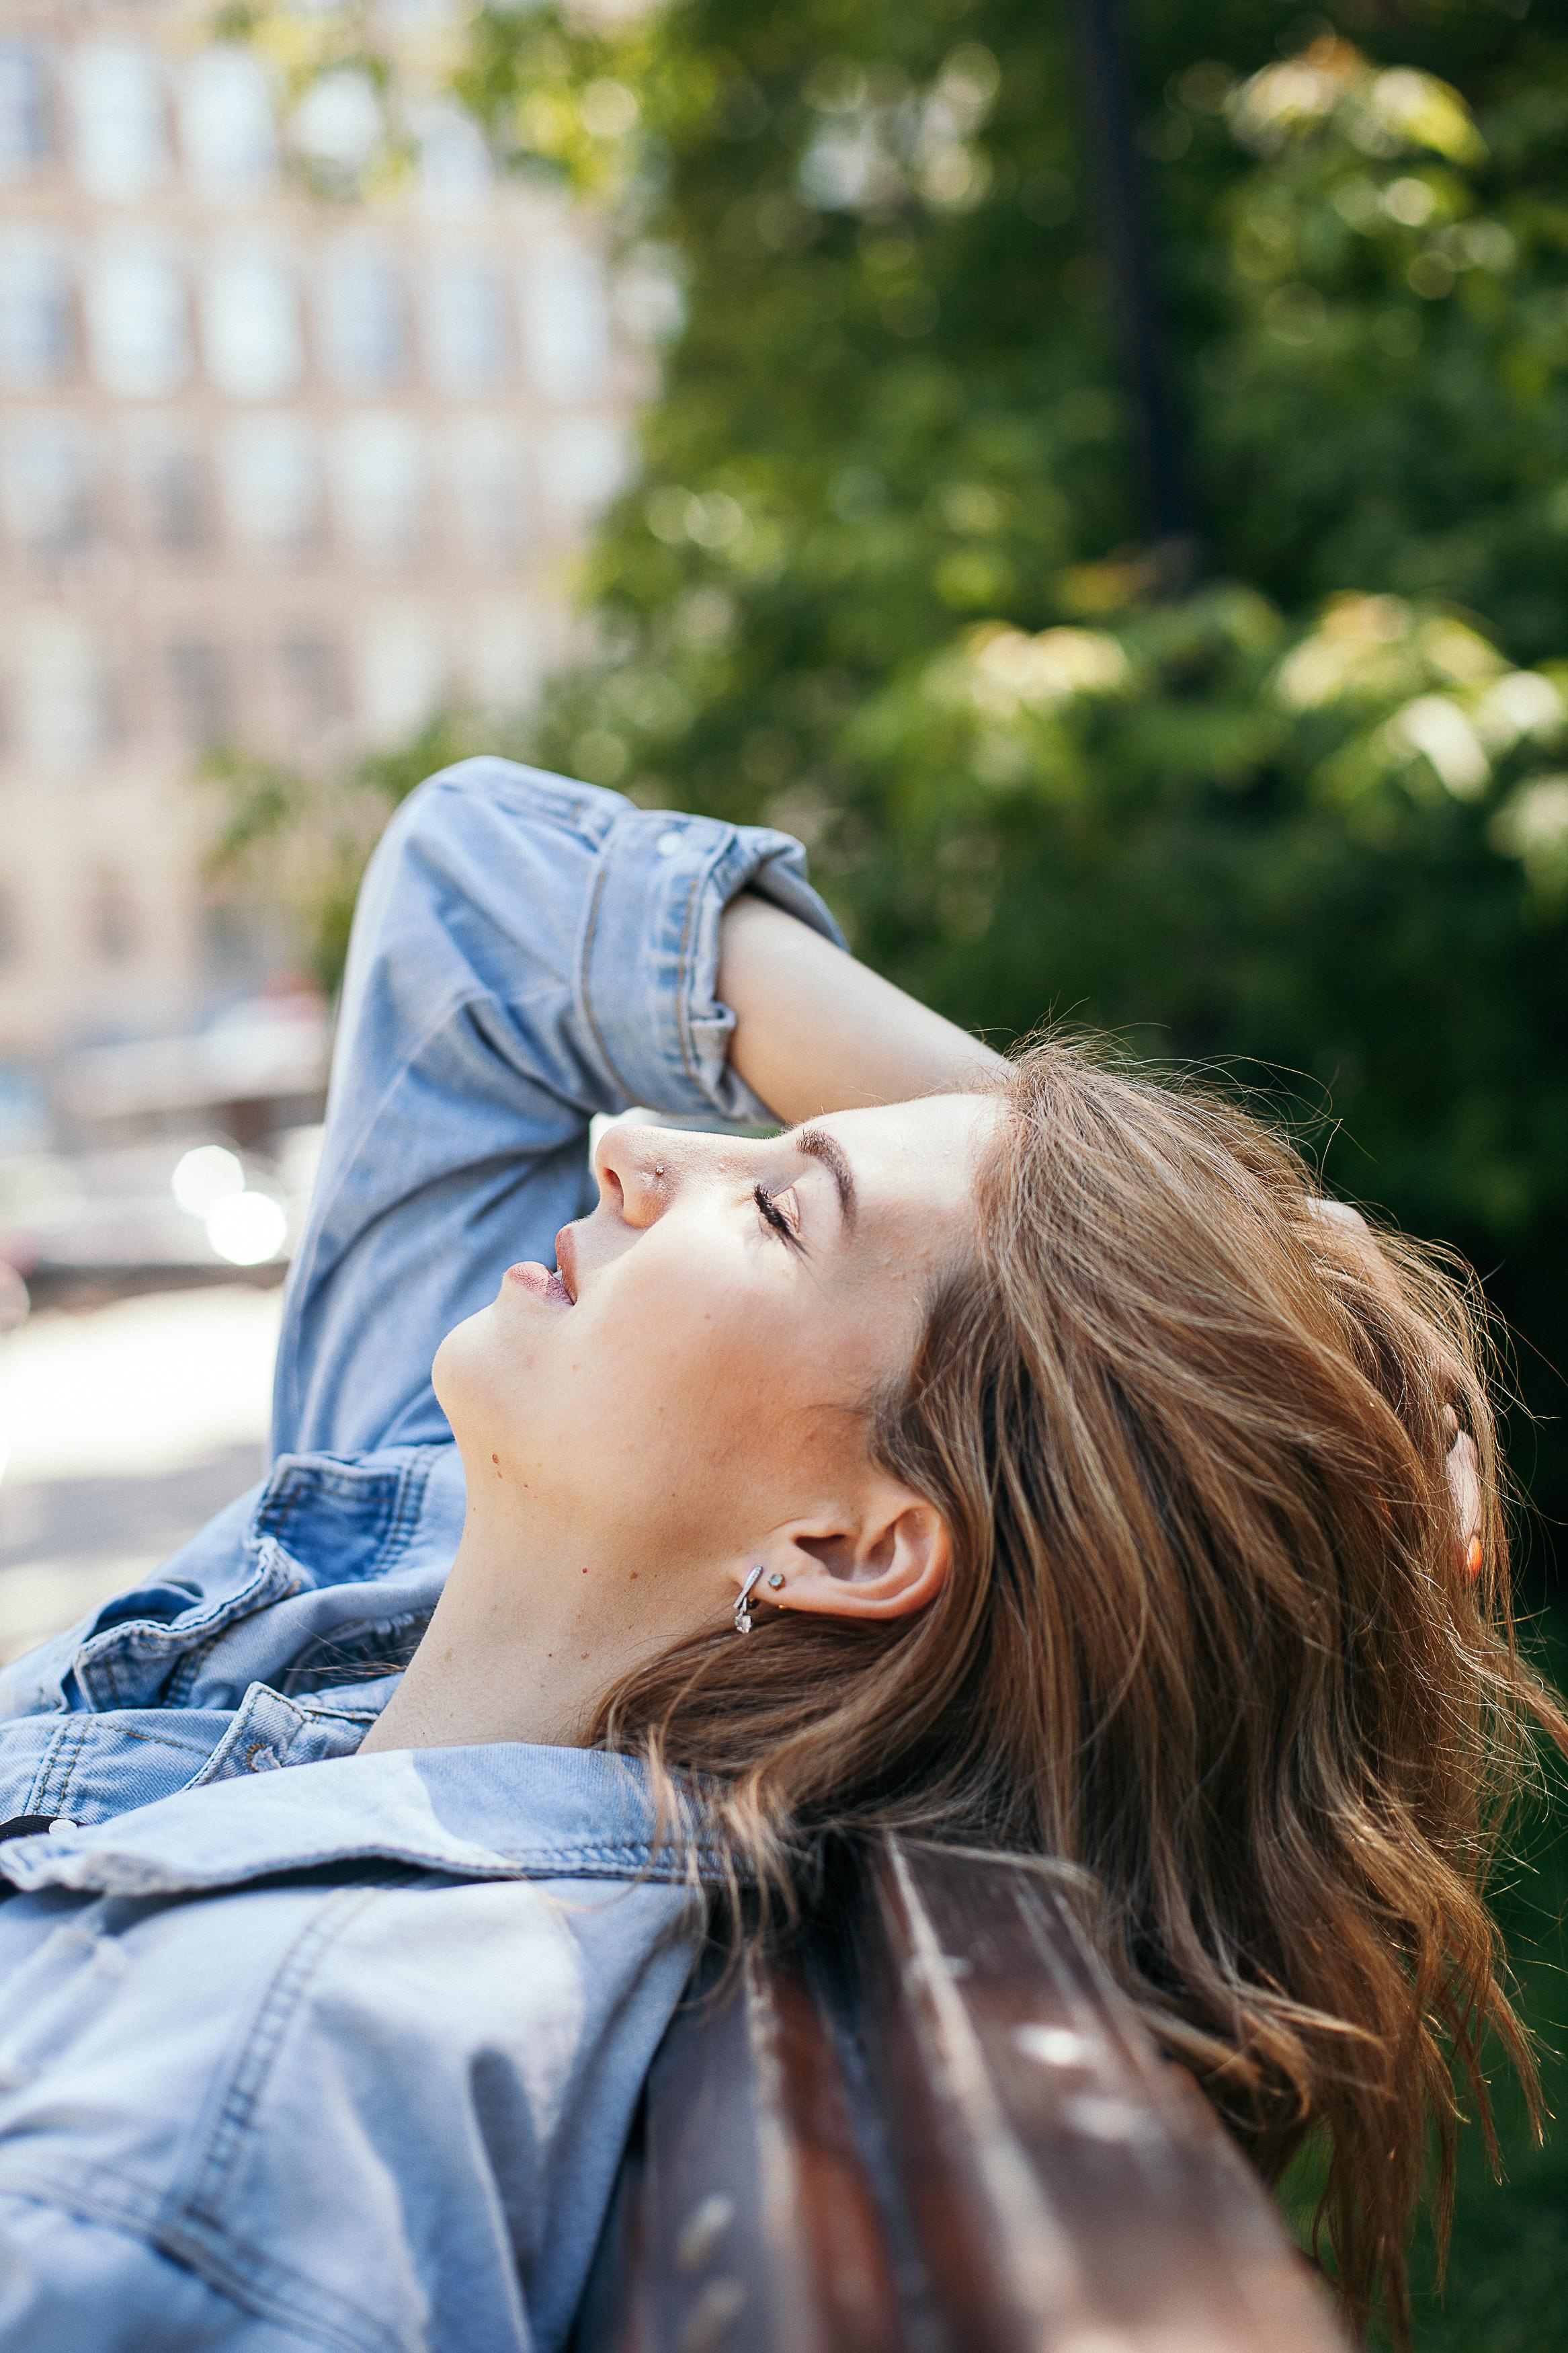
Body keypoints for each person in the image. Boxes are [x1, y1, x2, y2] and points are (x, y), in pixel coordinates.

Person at [0, 759, 1556, 2350]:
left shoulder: (279, 2076)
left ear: (853, 1542)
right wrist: (1210, 1231)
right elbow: (484, 888)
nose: (634, 1143)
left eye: (782, 1209)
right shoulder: (445, 1556)